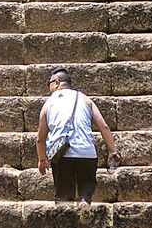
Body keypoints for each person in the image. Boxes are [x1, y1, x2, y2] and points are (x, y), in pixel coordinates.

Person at [36, 66, 117, 204]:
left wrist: (42, 160)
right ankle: (85, 199)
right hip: (87, 152)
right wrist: (113, 151)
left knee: (64, 196)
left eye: (49, 84)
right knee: (86, 183)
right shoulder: (85, 99)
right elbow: (104, 126)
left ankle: (65, 209)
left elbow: (40, 139)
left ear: (56, 83)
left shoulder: (48, 104)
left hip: (62, 156)